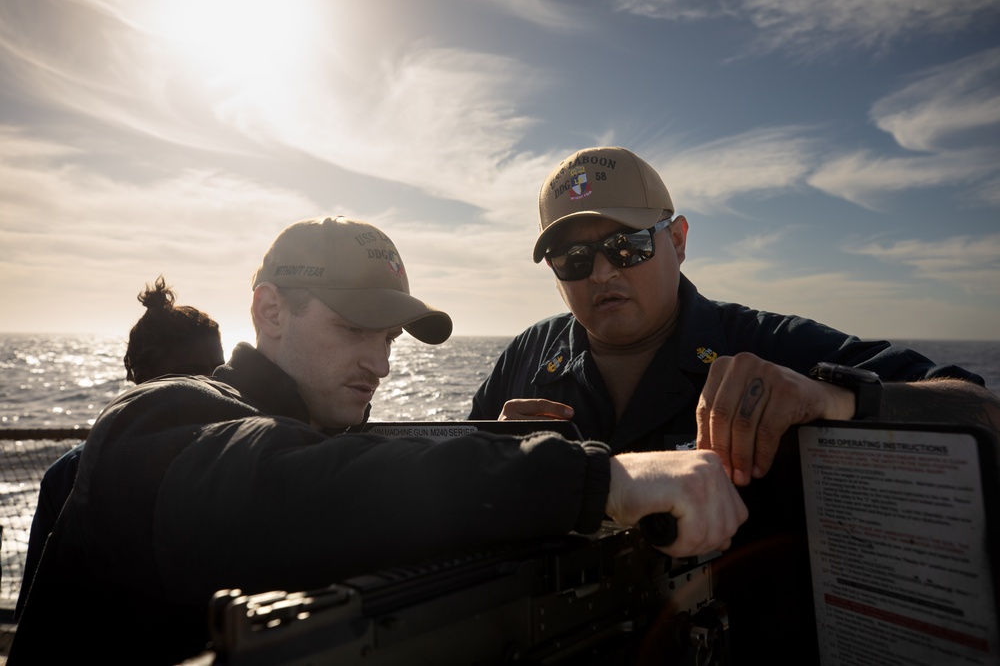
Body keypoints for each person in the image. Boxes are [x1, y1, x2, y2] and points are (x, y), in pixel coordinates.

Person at [8, 215, 748, 666]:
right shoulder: (157, 418)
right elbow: (278, 486)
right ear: (269, 311)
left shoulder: (316, 434)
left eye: (388, 335)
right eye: (354, 327)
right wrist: (603, 479)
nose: (380, 360)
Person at [468, 146, 1000, 661]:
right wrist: (504, 457)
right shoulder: (526, 357)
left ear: (677, 240)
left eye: (628, 246)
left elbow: (979, 406)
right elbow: (459, 487)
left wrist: (833, 398)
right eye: (573, 259)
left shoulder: (771, 347)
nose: (602, 273)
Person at [14, 277, 225, 621]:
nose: (207, 385)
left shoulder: (236, 460)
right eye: (190, 372)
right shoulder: (70, 476)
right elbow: (41, 605)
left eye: (217, 371)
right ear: (140, 373)